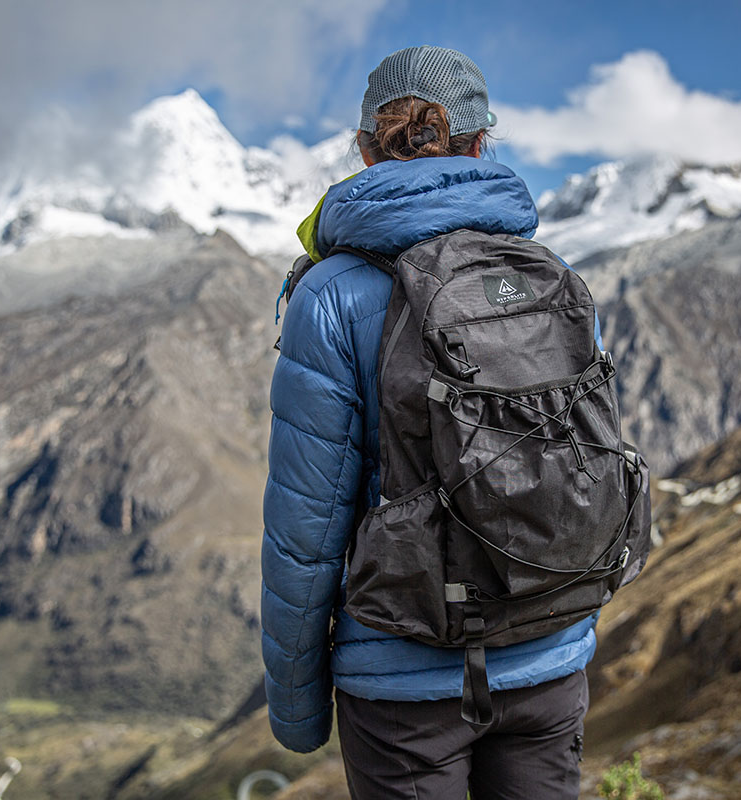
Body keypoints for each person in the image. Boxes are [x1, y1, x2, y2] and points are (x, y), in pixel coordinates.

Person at [261, 46, 597, 799]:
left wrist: (297, 710)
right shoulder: (549, 276)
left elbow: (305, 529)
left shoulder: (332, 295)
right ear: (483, 146)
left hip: (402, 678)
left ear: (365, 150)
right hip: (549, 653)